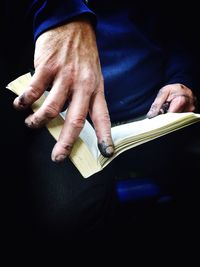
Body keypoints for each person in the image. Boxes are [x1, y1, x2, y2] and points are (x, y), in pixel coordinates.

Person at [1, 0, 199, 243]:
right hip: (62, 112)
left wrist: (183, 78)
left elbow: (182, 26)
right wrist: (60, 13)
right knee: (66, 217)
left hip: (155, 109)